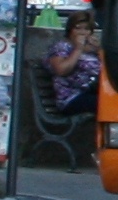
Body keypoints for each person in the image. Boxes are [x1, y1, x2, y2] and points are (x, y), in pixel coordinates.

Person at [40, 12, 102, 162]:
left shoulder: (91, 50)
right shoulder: (62, 47)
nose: (82, 32)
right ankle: (101, 150)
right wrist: (78, 50)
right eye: (78, 28)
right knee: (106, 105)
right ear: (70, 30)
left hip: (92, 90)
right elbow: (61, 69)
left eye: (86, 29)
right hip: (71, 98)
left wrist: (100, 51)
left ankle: (105, 148)